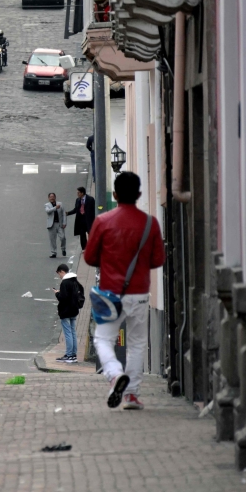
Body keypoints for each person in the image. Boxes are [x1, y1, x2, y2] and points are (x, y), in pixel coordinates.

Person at [84, 172, 165, 410]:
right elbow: (158, 260)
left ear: (115, 194)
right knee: (137, 343)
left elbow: (89, 258)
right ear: (139, 194)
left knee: (103, 339)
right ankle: (131, 395)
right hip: (139, 293)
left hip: (110, 294)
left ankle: (114, 373)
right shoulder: (150, 223)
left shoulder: (103, 222)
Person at [53, 263, 85, 363]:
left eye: (59, 274)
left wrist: (57, 293)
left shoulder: (65, 283)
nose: (59, 276)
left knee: (67, 333)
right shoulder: (75, 281)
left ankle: (69, 355)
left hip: (65, 311)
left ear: (62, 271)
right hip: (74, 310)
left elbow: (63, 298)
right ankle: (73, 354)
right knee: (73, 332)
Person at [45, 192, 67, 258]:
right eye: (50, 197)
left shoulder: (60, 204)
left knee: (63, 237)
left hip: (59, 224)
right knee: (52, 239)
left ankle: (63, 249)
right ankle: (53, 252)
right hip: (51, 224)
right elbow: (48, 211)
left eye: (53, 197)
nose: (52, 198)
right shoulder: (47, 205)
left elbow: (63, 214)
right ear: (48, 198)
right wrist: (55, 208)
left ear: (55, 197)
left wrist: (64, 223)